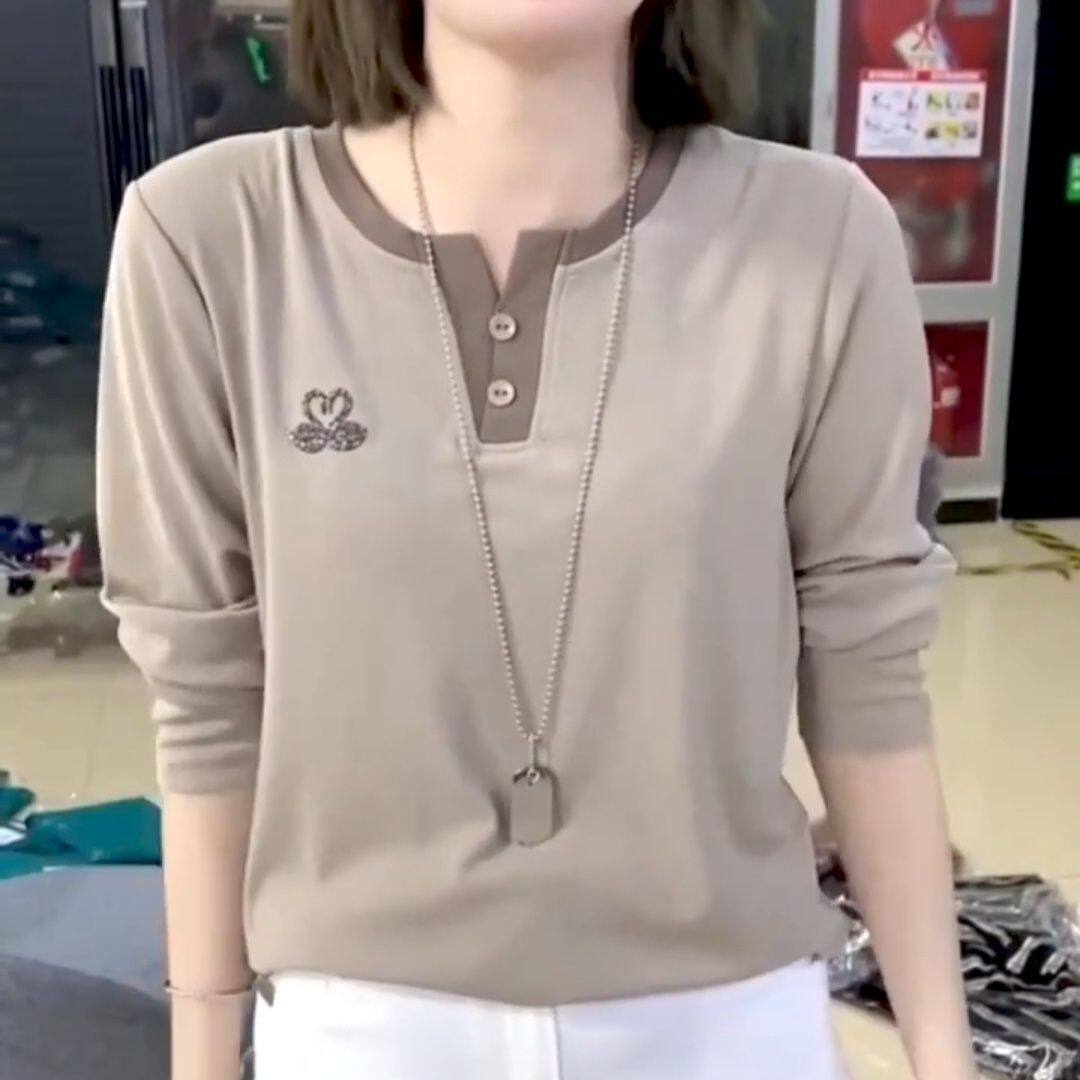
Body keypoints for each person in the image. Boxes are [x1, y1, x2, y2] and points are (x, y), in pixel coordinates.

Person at [94, 0, 975, 1077]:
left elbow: (867, 673)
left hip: (724, 1020)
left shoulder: (818, 234)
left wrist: (943, 1055)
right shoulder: (208, 235)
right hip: (359, 1025)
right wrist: (201, 1055)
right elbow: (206, 699)